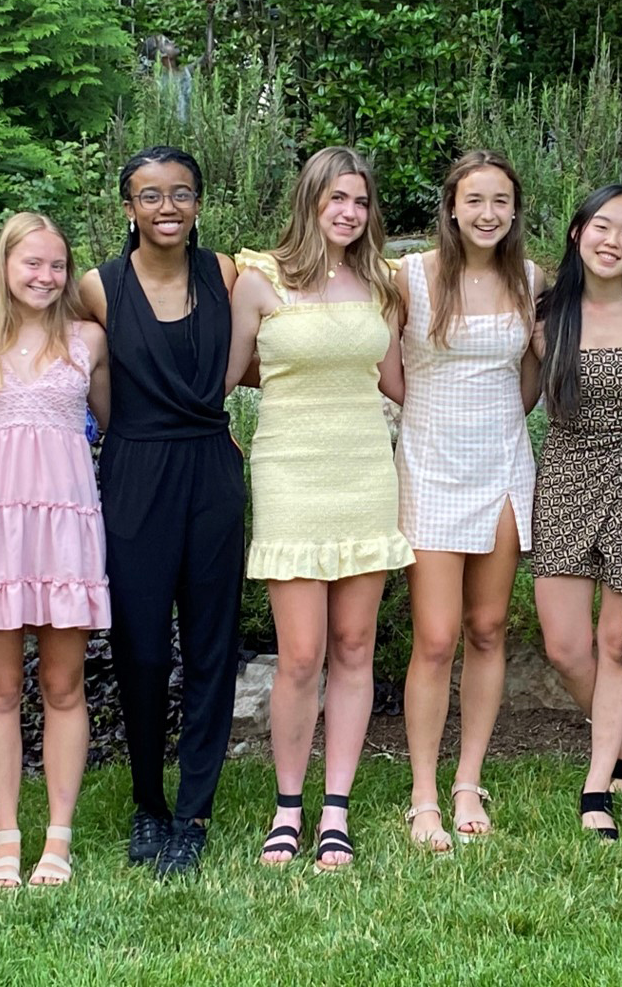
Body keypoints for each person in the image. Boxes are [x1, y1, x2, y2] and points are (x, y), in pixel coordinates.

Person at [226, 146, 412, 871]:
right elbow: (225, 377)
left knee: (355, 647)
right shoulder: (260, 280)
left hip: (365, 473)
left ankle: (336, 808)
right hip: (291, 475)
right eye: (337, 198)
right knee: (301, 654)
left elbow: (397, 381)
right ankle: (287, 806)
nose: (350, 212)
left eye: (361, 201)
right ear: (309, 201)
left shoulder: (382, 284)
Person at [77, 147, 244, 878]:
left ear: (199, 203)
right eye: (150, 195)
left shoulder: (225, 273)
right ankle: (148, 801)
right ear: (129, 208)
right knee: (141, 648)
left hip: (211, 469)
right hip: (135, 470)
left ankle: (194, 810)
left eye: (181, 193)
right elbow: (59, 360)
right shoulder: (98, 286)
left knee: (211, 646)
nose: (166, 207)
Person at [0, 212, 112, 889]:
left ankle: (58, 838)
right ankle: (6, 838)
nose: (45, 276)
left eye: (56, 265)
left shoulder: (87, 339)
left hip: (65, 523)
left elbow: (117, 424)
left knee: (64, 685)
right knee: (0, 687)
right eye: (31, 263)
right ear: (3, 265)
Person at [394, 150, 541, 852]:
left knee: (488, 628)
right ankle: (423, 792)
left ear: (515, 210)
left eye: (501, 201)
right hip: (430, 469)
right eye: (475, 200)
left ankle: (467, 779)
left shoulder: (530, 279)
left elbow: (533, 376)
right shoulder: (409, 277)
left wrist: (497, 422)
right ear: (451, 207)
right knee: (436, 637)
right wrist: (433, 413)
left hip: (503, 466)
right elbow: (387, 368)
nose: (488, 213)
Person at [532, 184, 622, 842]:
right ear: (577, 233)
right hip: (565, 475)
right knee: (566, 646)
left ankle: (597, 787)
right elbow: (519, 398)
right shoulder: (546, 318)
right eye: (601, 226)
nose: (613, 241)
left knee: (620, 642)